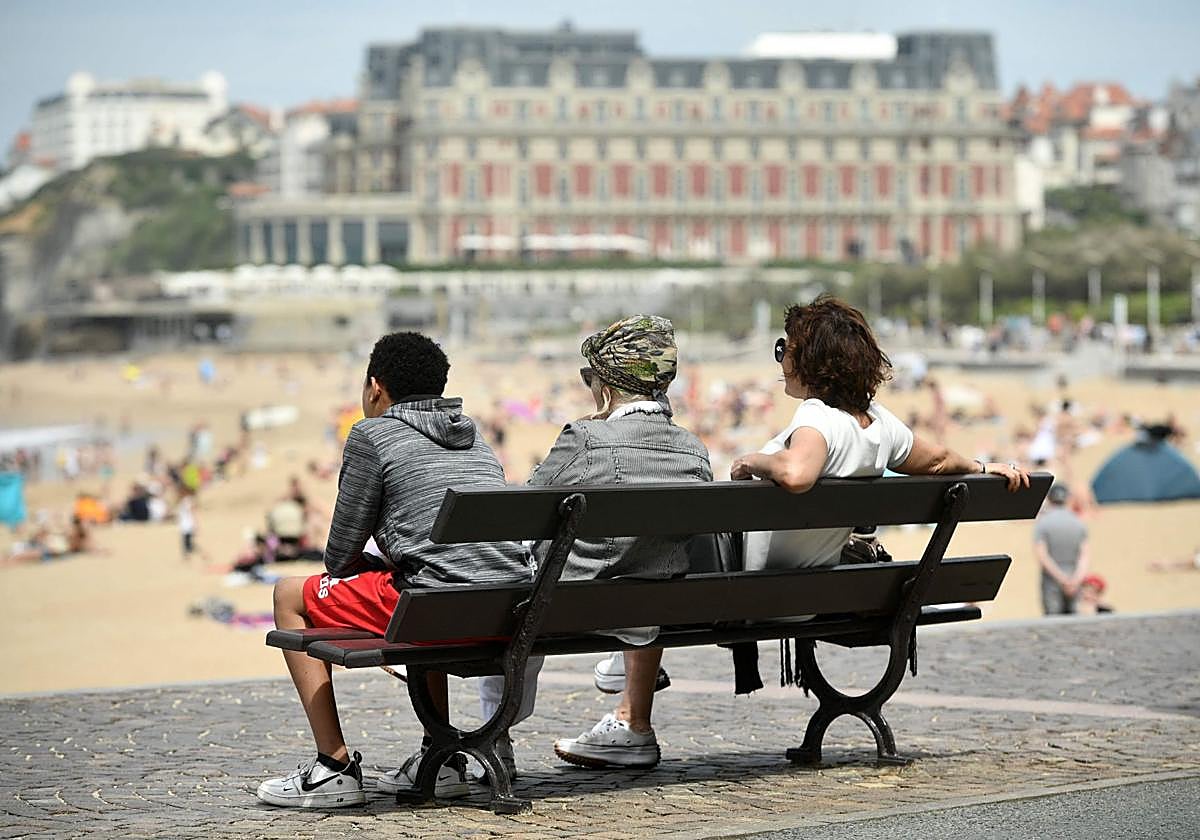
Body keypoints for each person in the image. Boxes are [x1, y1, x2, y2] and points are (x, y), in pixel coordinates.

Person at [256, 332, 532, 809]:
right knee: (425, 582)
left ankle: (333, 767)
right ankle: (442, 759)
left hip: (433, 605)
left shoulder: (371, 435)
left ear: (374, 387)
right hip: (501, 605)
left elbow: (339, 556)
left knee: (288, 592)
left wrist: (377, 562)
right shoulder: (473, 436)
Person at [731, 296, 1030, 573]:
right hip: (816, 597)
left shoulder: (816, 415)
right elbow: (938, 460)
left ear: (809, 362)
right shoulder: (880, 423)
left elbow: (797, 474)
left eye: (785, 349)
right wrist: (982, 467)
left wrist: (750, 461)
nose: (781, 359)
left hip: (762, 594)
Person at [541, 315, 713, 770]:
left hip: (568, 607)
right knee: (648, 561)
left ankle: (490, 744)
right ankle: (625, 681)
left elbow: (526, 512)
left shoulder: (586, 438)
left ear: (608, 389)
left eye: (590, 379)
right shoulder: (694, 450)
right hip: (653, 606)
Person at [1033, 483, 1089, 615]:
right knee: (1074, 622)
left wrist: (1062, 579)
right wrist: (1075, 579)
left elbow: (1042, 556)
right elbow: (1084, 555)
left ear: (1049, 499)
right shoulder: (1078, 523)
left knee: (1052, 623)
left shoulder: (1043, 524)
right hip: (1074, 578)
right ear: (1068, 499)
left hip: (1052, 580)